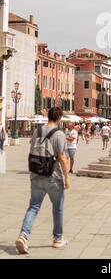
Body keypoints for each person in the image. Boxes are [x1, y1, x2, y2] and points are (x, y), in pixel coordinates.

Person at [15, 107, 69, 254]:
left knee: (33, 207)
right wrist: (67, 178)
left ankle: (23, 236)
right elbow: (62, 158)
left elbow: (32, 149)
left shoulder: (36, 131)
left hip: (36, 175)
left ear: (48, 117)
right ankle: (58, 239)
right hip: (53, 176)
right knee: (58, 208)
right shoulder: (59, 134)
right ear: (59, 118)